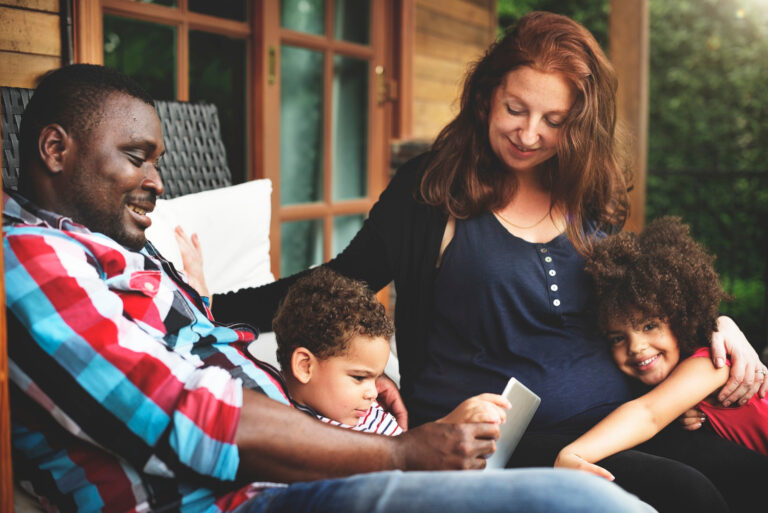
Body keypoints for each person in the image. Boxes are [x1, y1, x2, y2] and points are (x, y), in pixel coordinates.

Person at [3, 64, 658, 513]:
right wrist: (401, 452)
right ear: (56, 148)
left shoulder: (115, 250)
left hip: (302, 456)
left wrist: (350, 378)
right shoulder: (30, 257)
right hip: (247, 498)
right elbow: (189, 414)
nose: (157, 183)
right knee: (582, 504)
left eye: (157, 161)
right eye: (137, 157)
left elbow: (199, 351)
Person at [212, 11, 768, 513]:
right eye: (515, 109)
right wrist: (207, 305)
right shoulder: (430, 191)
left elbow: (645, 304)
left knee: (749, 476)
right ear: (486, 98)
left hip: (624, 420)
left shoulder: (590, 196)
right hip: (504, 440)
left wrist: (720, 327)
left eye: (554, 120)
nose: (530, 134)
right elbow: (339, 281)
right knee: (689, 495)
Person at [555, 216, 768, 478]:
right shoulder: (682, 381)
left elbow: (648, 414)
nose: (636, 346)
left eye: (649, 326)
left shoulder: (713, 362)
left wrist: (573, 454)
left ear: (680, 319)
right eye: (617, 338)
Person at [271, 267, 509, 434]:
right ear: (305, 365)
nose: (373, 393)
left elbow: (404, 451)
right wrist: (447, 428)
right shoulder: (300, 436)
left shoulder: (366, 412)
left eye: (376, 378)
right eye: (359, 377)